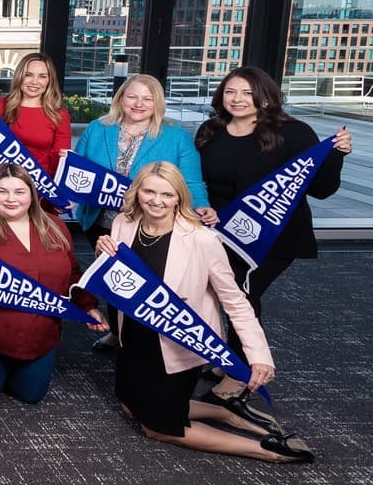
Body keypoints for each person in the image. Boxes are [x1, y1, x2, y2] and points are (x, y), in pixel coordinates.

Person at [95, 162, 313, 463]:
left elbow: (235, 300)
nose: (156, 201)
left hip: (179, 339)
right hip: (134, 336)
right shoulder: (123, 222)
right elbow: (120, 278)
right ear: (137, 192)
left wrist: (258, 354)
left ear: (179, 198)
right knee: (129, 405)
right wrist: (101, 252)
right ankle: (224, 411)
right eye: (148, 191)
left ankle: (269, 450)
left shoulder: (202, 239)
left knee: (156, 427)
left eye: (167, 194)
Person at [195, 67, 349, 415]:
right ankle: (232, 356)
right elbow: (201, 182)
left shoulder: (292, 133)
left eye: (247, 93)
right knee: (224, 293)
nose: (237, 100)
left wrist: (336, 153)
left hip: (276, 238)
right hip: (222, 233)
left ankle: (241, 375)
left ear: (266, 96)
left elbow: (322, 190)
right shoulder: (211, 131)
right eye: (231, 92)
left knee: (243, 295)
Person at [0, 164, 107, 412]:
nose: (11, 199)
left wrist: (88, 305)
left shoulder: (55, 226)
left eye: (19, 191)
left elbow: (73, 272)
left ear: (32, 194)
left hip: (39, 336)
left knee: (31, 395)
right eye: (2, 191)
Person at [72, 73, 216, 350]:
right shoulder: (98, 128)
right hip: (101, 220)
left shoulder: (175, 137)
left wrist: (200, 205)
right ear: (121, 99)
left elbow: (192, 180)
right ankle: (117, 332)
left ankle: (148, 340)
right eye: (132, 96)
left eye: (147, 99)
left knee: (146, 280)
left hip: (148, 224)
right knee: (113, 279)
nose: (139, 104)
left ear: (157, 103)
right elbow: (78, 169)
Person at [0, 52, 69, 208]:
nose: (34, 82)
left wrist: (60, 194)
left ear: (50, 80)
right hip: (4, 189)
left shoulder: (59, 115)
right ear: (19, 77)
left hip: (41, 191)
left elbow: (60, 160)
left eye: (42, 76)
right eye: (28, 75)